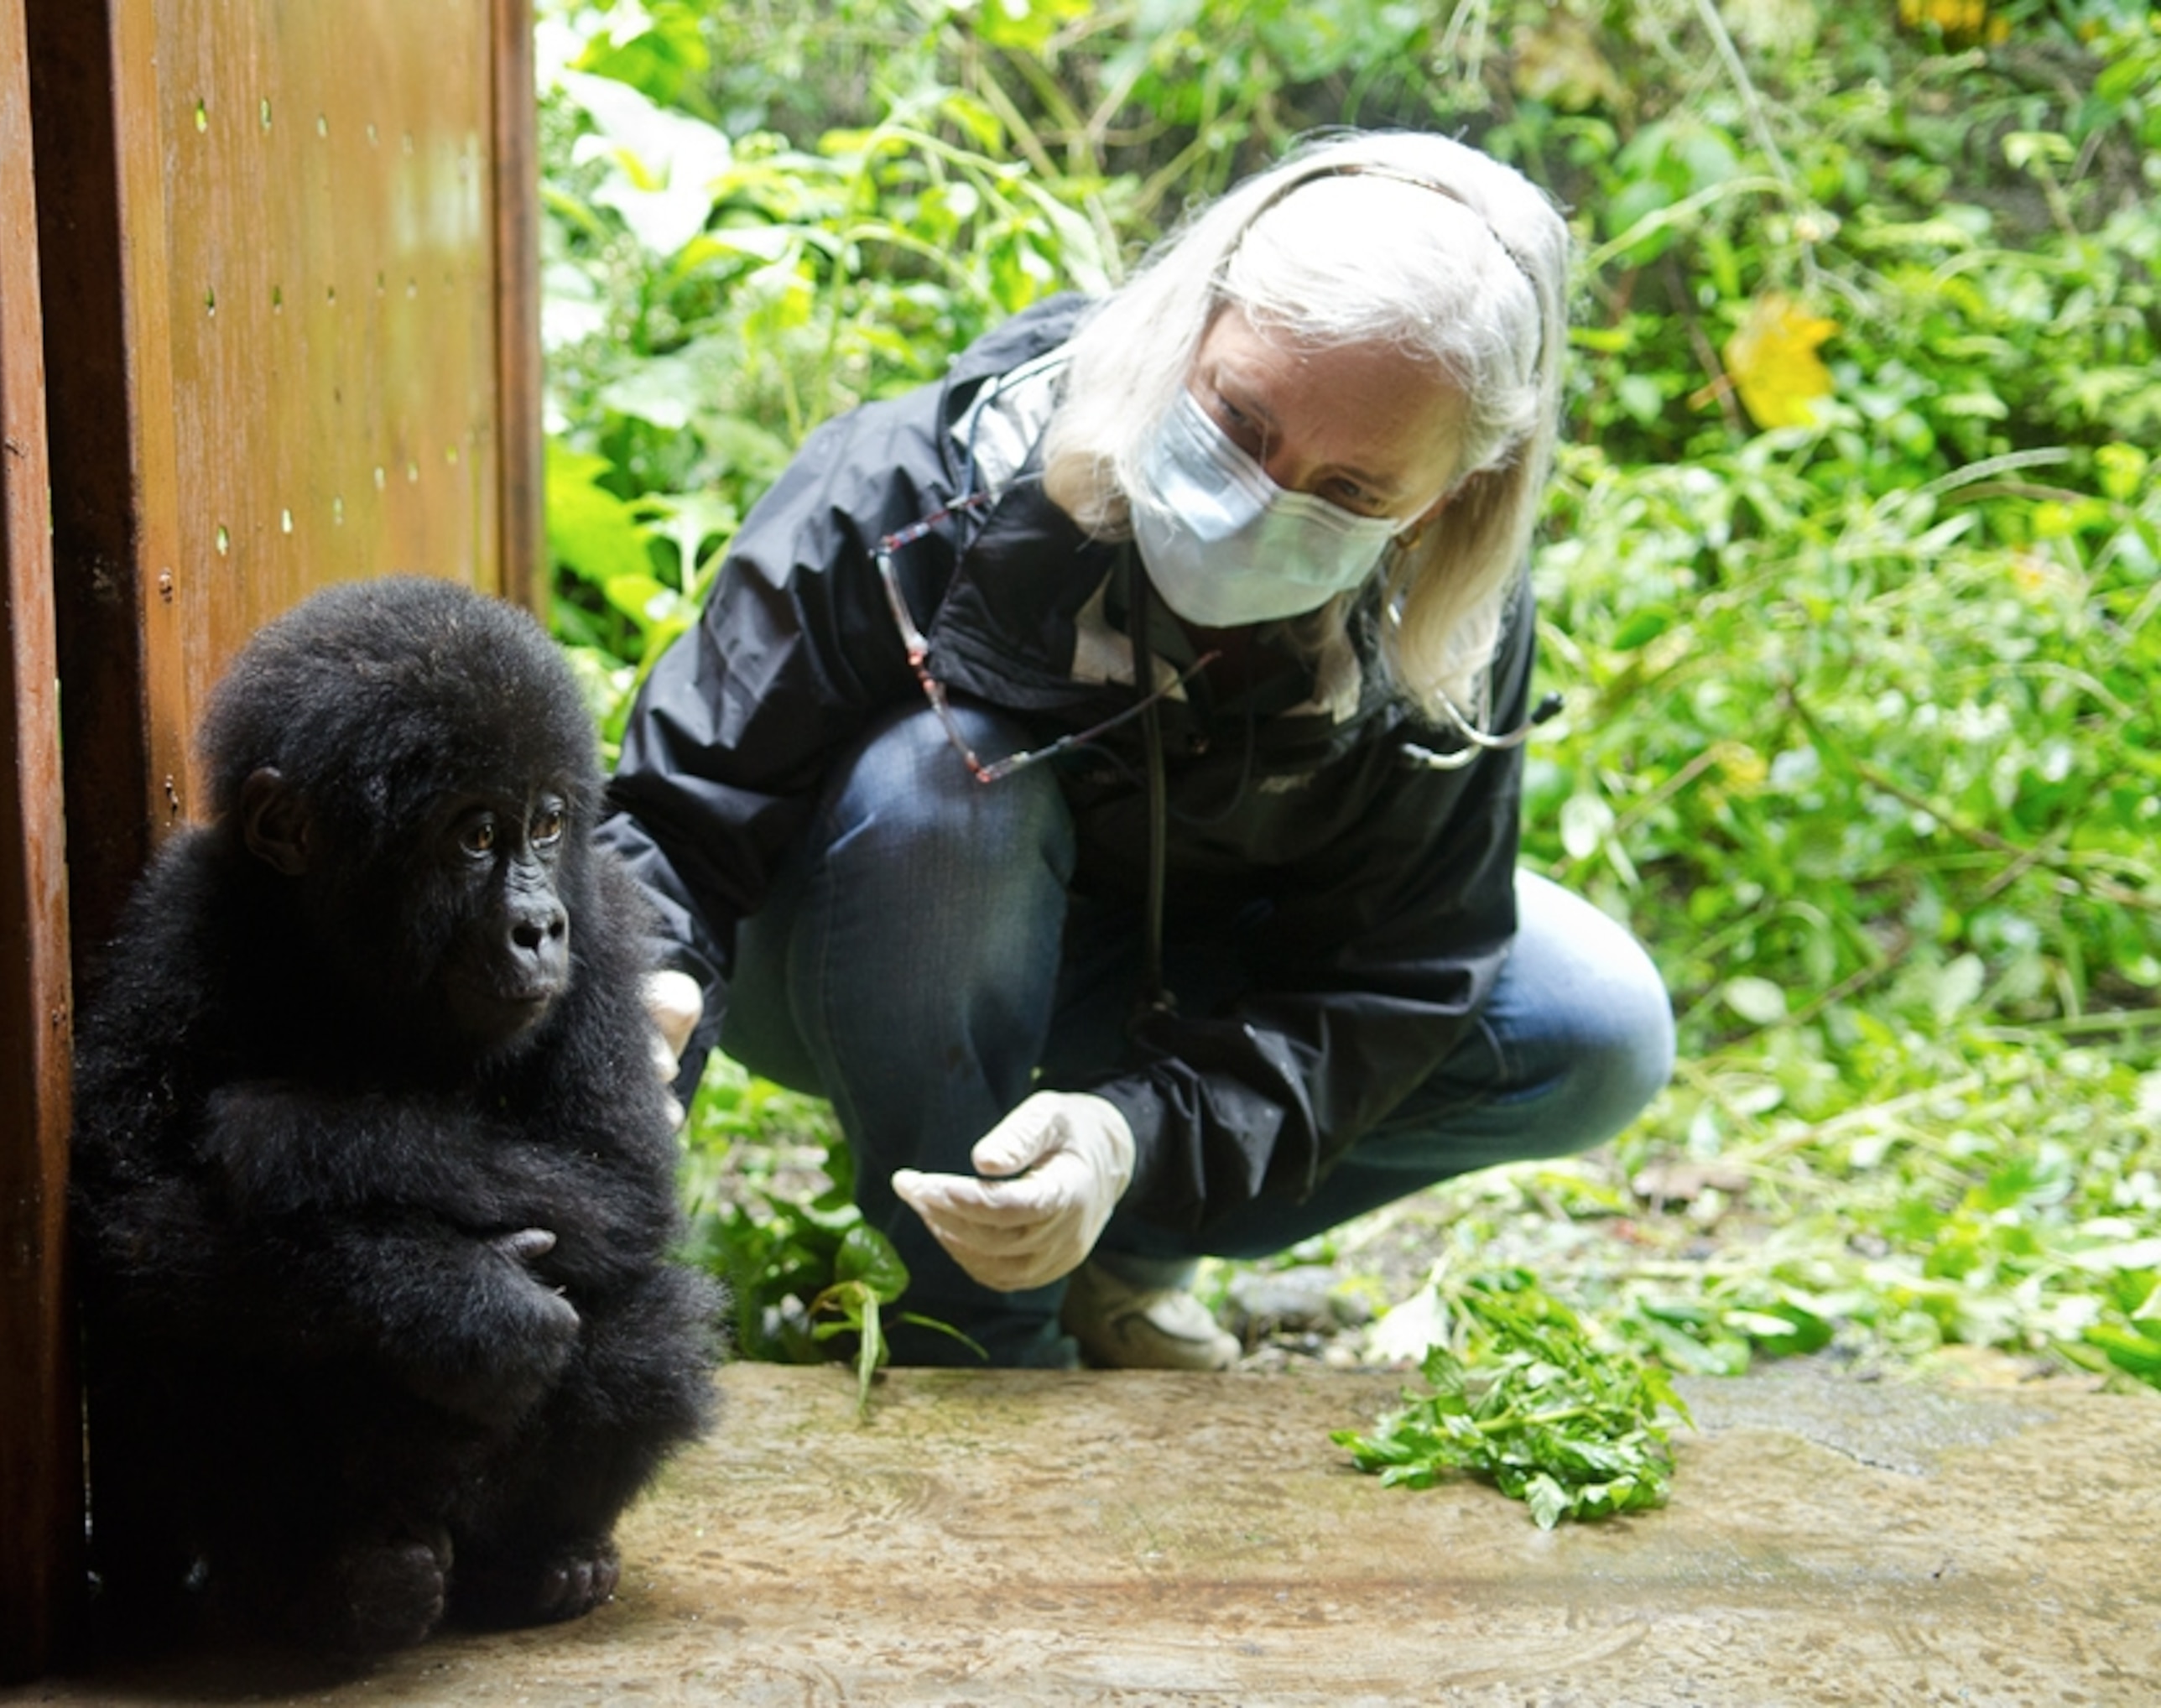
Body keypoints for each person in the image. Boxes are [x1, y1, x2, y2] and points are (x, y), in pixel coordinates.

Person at [601, 129, 1675, 1370]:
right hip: (872, 952)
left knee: (1594, 1024)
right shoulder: (924, 482)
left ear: (1446, 498)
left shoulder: (1445, 617)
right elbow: (682, 813)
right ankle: (978, 1333)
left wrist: (1135, 1140)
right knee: (946, 792)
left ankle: (1112, 1258)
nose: (1270, 498)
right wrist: (645, 990)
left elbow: (1404, 968)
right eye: (1241, 419)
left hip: (1162, 997)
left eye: (1355, 491)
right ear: (1193, 323)